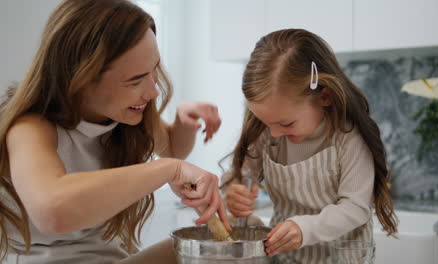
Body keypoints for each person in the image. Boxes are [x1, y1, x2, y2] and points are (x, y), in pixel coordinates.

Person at [0, 0, 231, 263]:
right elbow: (52, 211)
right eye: (135, 80)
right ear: (79, 78)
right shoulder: (29, 127)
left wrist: (183, 122)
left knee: (221, 240)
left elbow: (171, 146)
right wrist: (170, 169)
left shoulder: (124, 113)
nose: (153, 91)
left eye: (153, 70)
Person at [221, 28, 398, 263]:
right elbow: (240, 177)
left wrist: (305, 228)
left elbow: (355, 208)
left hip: (343, 258)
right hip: (286, 258)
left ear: (324, 97)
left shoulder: (348, 137)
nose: (274, 133)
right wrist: (232, 193)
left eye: (286, 123)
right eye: (266, 122)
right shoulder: (269, 131)